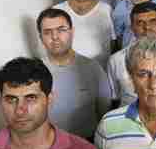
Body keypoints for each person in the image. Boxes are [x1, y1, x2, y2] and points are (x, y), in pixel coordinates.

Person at [37, 8, 111, 140]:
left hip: (88, 144)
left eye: (61, 30)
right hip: (51, 148)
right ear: (41, 37)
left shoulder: (92, 68)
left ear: (72, 32)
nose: (55, 37)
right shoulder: (35, 72)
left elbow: (104, 114)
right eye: (48, 32)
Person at [53, 0, 116, 67]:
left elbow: (113, 43)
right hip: (67, 72)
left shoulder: (106, 10)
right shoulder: (57, 11)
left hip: (99, 74)